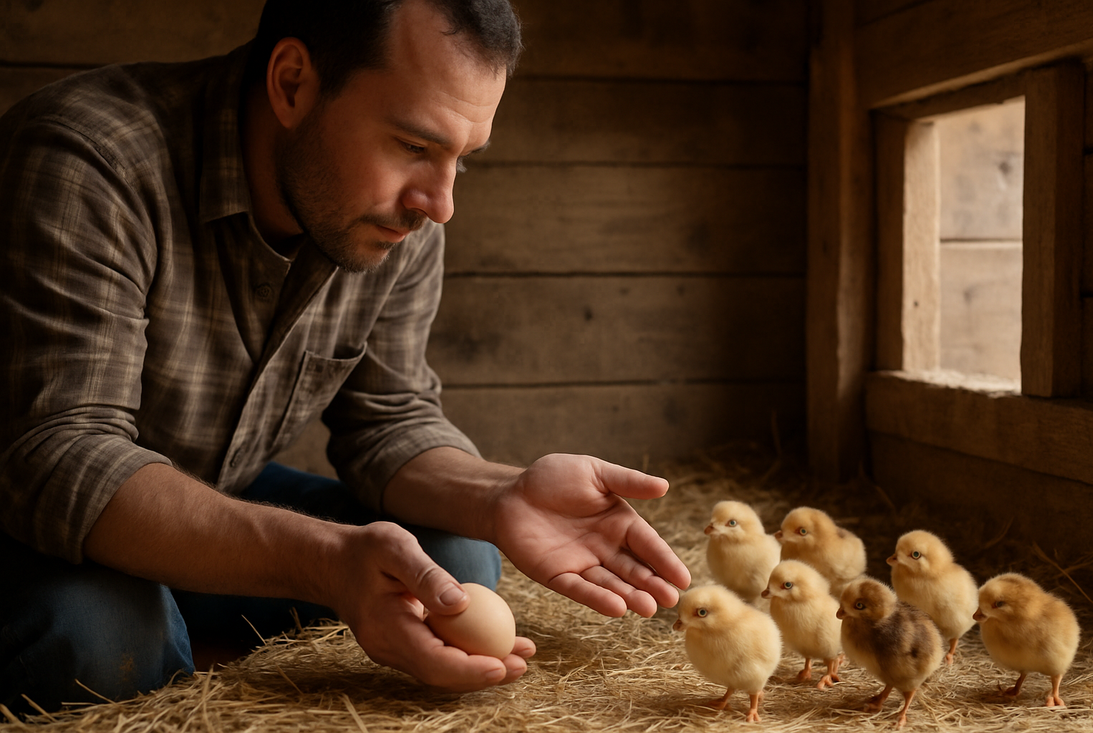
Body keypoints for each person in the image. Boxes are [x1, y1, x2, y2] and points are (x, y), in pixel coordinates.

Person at [0, 0, 692, 716]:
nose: (441, 203)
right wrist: (325, 562)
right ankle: (168, 643)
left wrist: (500, 493)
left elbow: (389, 421)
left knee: (456, 562)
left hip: (205, 492)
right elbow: (62, 459)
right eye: (413, 145)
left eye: (462, 158)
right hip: (27, 521)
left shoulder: (400, 216)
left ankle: (189, 638)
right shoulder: (91, 160)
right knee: (104, 640)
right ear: (294, 83)